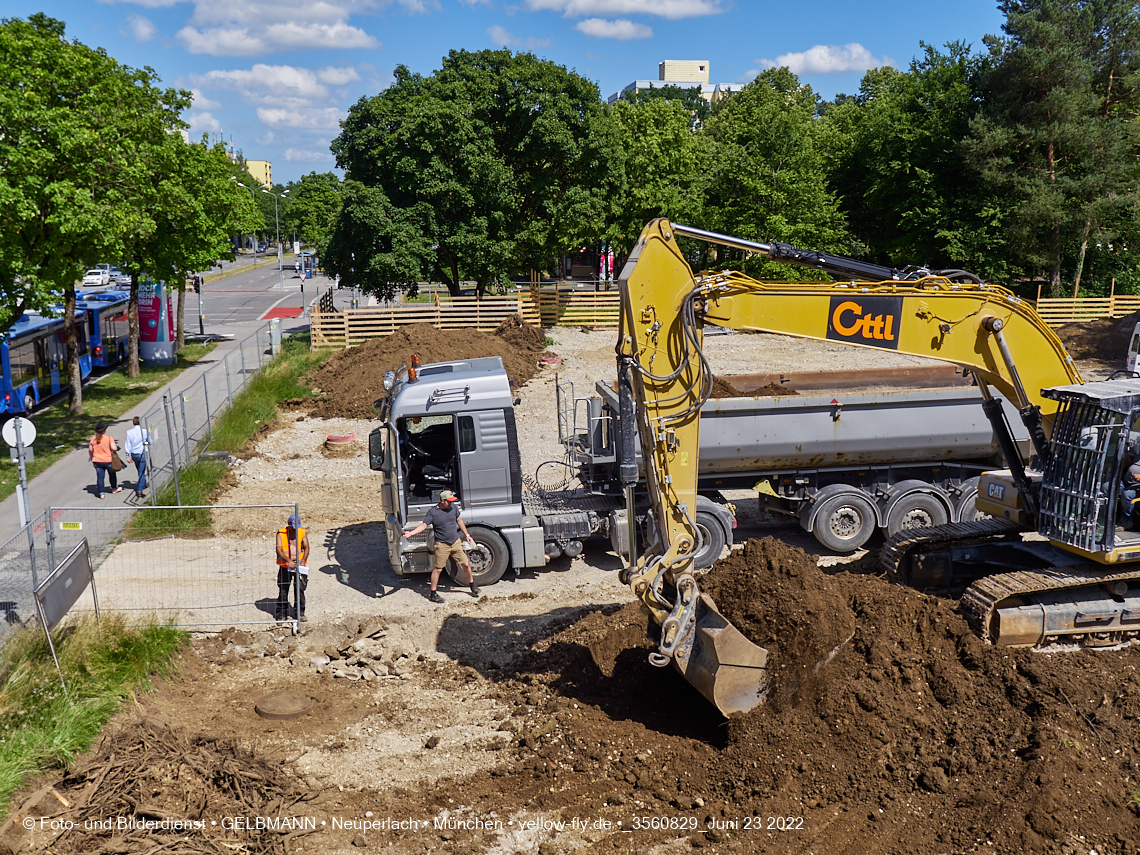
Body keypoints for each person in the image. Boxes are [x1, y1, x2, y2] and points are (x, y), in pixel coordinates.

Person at [402, 490, 479, 602]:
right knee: (438, 569)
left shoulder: (453, 508)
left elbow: (459, 520)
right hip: (442, 545)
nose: (451, 503)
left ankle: (472, 586)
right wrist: (411, 533)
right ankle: (433, 594)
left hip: (455, 542)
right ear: (442, 501)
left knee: (466, 564)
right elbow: (424, 525)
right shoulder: (433, 512)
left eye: (452, 501)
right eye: (449, 501)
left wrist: (467, 535)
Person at [275, 514, 311, 622]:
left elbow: (307, 547)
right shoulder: (281, 534)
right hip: (285, 566)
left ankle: (300, 613)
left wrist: (303, 560)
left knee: (299, 589)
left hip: (299, 565)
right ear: (288, 524)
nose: (294, 530)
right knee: (283, 590)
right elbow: (278, 550)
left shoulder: (302, 532)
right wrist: (288, 560)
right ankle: (281, 614)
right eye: (292, 528)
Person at [88, 422, 122, 499]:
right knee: (112, 474)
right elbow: (114, 448)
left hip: (97, 461)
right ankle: (114, 488)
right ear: (104, 431)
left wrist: (92, 457)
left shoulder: (93, 440)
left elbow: (90, 450)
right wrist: (116, 448)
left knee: (100, 477)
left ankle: (101, 493)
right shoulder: (109, 438)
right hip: (108, 460)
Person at [124, 416, 149, 498]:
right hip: (142, 453)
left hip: (134, 454)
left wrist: (127, 455)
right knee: (141, 472)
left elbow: (128, 444)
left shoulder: (129, 432)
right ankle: (139, 490)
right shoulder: (144, 431)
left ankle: (144, 483)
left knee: (140, 470)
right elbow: (149, 441)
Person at [1122, 459, 1140, 529]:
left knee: (1127, 494)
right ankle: (1103, 518)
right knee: (1107, 487)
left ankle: (1126, 521)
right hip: (1125, 481)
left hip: (1137, 486)